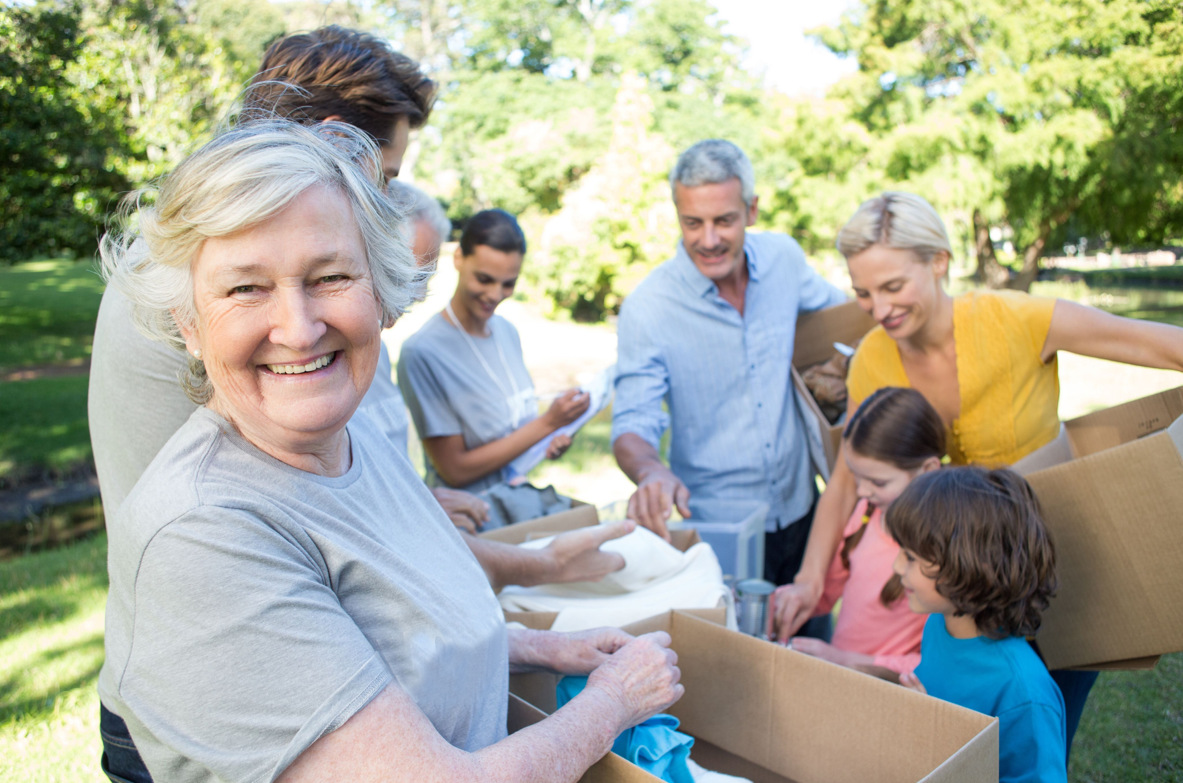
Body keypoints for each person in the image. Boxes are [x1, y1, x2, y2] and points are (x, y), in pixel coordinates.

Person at [98, 119, 683, 783]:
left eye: (329, 275)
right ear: (188, 323)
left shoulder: (348, 437)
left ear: (379, 292)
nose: (298, 327)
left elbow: (390, 641)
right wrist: (613, 701)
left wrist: (543, 646)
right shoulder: (203, 533)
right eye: (245, 287)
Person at [772, 191, 1183, 743]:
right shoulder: (873, 356)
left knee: (1039, 723)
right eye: (864, 293)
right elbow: (848, 476)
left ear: (939, 260)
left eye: (893, 286)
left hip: (1044, 571)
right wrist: (808, 580)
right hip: (950, 599)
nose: (879, 307)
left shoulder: (1017, 318)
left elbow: (1159, 345)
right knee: (954, 739)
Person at [611, 138, 847, 588]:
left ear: (752, 210)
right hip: (719, 530)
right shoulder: (649, 308)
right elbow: (631, 425)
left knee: (815, 648)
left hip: (803, 511)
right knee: (738, 655)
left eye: (724, 221)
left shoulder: (784, 260)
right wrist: (651, 470)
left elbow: (846, 324)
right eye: (692, 223)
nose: (709, 239)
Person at [397, 209, 590, 504]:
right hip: (470, 516)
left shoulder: (506, 332)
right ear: (459, 258)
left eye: (508, 283)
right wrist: (548, 424)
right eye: (484, 279)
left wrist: (547, 441)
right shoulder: (423, 352)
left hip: (518, 498)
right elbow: (454, 470)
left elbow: (513, 433)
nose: (495, 294)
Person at [888, 467, 1066, 783]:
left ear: (969, 566)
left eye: (912, 557)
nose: (897, 566)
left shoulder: (1024, 694)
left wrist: (937, 744)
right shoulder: (938, 624)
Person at [779, 387, 943, 681]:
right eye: (856, 476)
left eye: (878, 481)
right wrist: (791, 601)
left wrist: (846, 660)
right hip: (841, 677)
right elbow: (828, 590)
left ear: (928, 469)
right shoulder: (868, 514)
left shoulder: (941, 557)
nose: (862, 491)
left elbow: (935, 666)